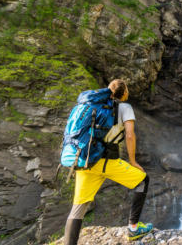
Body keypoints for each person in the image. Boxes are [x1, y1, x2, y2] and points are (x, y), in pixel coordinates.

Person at [63, 79, 153, 244]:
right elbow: (130, 135)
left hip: (84, 161)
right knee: (142, 180)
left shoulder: (89, 105)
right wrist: (133, 161)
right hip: (106, 161)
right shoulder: (124, 107)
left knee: (77, 210)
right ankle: (133, 229)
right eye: (127, 90)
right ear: (123, 93)